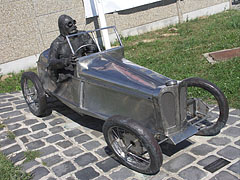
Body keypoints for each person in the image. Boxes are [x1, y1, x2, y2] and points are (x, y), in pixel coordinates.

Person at [48, 14, 98, 82]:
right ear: (62, 27)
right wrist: (67, 61)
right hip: (68, 74)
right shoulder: (57, 43)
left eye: (74, 22)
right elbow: (51, 62)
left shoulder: (83, 35)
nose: (74, 26)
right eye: (69, 24)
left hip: (85, 67)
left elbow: (94, 49)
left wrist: (88, 56)